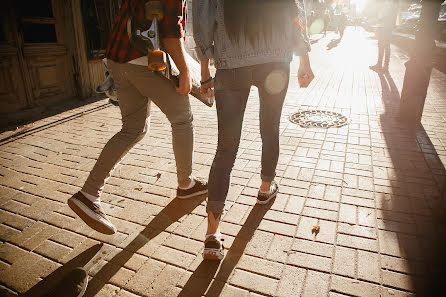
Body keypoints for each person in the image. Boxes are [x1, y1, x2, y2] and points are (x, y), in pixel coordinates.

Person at [68, 0, 207, 235]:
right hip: (145, 59)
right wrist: (184, 71)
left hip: (118, 58)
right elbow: (172, 32)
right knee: (182, 119)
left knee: (132, 128)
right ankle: (186, 184)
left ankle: (88, 194)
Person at [194, 0, 314, 260]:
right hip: (275, 59)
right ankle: (264, 188)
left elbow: (203, 14)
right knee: (270, 129)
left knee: (226, 147)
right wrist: (304, 57)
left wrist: (204, 69)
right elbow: (296, 9)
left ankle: (212, 235)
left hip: (230, 64)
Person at [370, 1, 398, 71]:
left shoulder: (391, 5)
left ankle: (385, 66)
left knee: (386, 46)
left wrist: (380, 19)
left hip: (387, 28)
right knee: (380, 46)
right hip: (381, 27)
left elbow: (390, 17)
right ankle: (379, 64)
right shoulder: (384, 4)